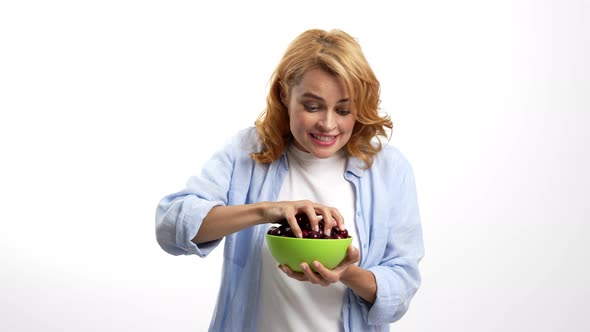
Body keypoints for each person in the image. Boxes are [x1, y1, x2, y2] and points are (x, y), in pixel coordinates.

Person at [155, 28, 424, 332]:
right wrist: (266, 210)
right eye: (312, 106)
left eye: (344, 109)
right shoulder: (247, 152)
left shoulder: (389, 169)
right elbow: (170, 227)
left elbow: (402, 289)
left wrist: (346, 273)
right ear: (285, 94)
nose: (328, 124)